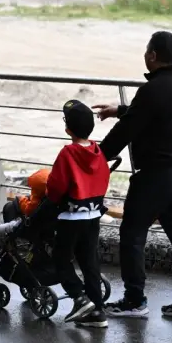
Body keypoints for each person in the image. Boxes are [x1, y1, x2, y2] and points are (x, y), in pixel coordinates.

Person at [94, 31, 172, 320]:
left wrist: (98, 156)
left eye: (146, 50)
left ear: (152, 55)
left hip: (155, 175)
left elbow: (127, 130)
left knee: (132, 234)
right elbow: (157, 115)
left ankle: (134, 300)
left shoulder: (152, 89)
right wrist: (120, 110)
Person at [45, 100, 111, 328]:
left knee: (61, 260)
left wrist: (51, 199)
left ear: (67, 129)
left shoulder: (67, 153)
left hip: (70, 218)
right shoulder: (97, 151)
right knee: (89, 261)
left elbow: (56, 187)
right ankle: (97, 311)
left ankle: (79, 297)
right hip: (92, 215)